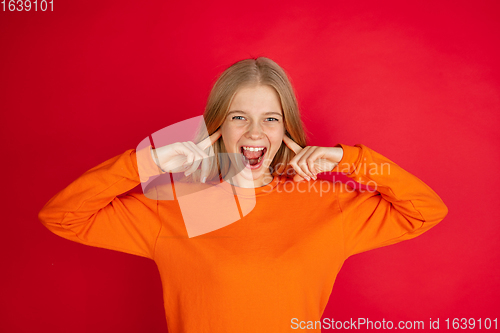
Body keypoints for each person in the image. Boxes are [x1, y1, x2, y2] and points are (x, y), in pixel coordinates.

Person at [38, 57, 448, 332]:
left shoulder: (330, 204)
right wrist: (148, 163)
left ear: (287, 129)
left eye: (270, 118)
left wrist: (349, 159)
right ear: (217, 125)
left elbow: (425, 210)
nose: (255, 133)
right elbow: (62, 216)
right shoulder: (174, 206)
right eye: (239, 117)